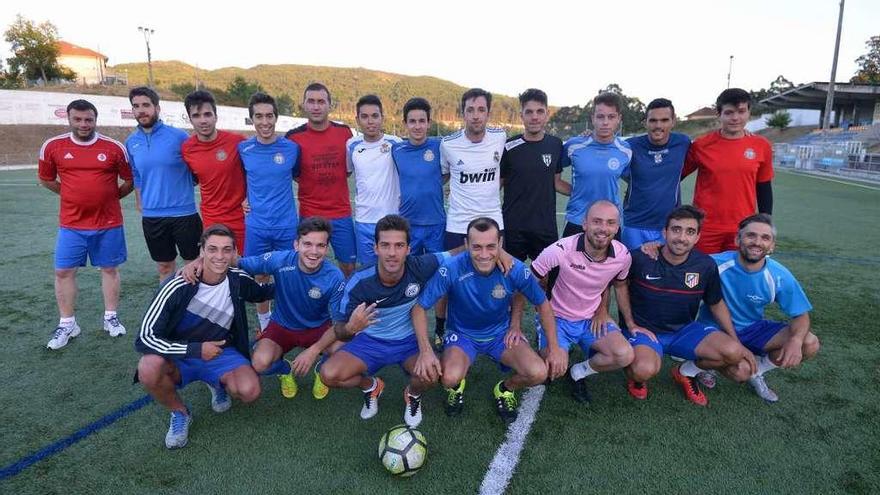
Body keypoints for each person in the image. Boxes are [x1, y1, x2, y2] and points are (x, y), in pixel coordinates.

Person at [413, 217, 566, 424]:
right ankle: (457, 386)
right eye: (476, 247)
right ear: (466, 244)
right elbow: (419, 307)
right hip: (462, 335)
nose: (484, 255)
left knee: (538, 373)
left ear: (500, 244)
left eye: (490, 246)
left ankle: (505, 389)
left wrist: (554, 347)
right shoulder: (451, 268)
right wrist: (425, 350)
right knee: (449, 378)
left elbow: (543, 304)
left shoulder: (516, 269)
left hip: (500, 335)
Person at [135, 225, 274, 449]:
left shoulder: (237, 279)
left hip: (220, 352)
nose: (219, 256)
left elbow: (265, 292)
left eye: (226, 250)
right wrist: (196, 350)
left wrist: (300, 274)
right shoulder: (178, 284)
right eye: (212, 249)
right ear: (201, 251)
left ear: (234, 253)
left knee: (250, 391)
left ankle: (215, 383)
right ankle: (180, 413)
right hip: (180, 353)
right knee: (148, 367)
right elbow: (145, 337)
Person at [615, 206, 757, 406]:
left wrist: (737, 341)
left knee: (734, 354)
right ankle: (637, 379)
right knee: (642, 370)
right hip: (644, 331)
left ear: (698, 237)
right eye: (676, 229)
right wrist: (629, 324)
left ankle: (686, 372)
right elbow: (618, 285)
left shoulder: (705, 265)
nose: (682, 237)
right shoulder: (640, 258)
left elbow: (715, 303)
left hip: (684, 330)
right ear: (664, 232)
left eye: (690, 231)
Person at [319, 215, 443, 428]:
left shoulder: (420, 266)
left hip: (408, 341)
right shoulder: (359, 281)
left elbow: (459, 254)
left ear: (408, 249)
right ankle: (371, 386)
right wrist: (351, 327)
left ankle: (412, 395)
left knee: (431, 374)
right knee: (328, 375)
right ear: (375, 248)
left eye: (399, 245)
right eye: (385, 245)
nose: (392, 253)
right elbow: (339, 329)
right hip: (370, 341)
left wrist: (500, 253)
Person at [38, 99, 133, 349]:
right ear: (68, 119)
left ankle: (110, 318)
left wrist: (111, 197)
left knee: (110, 269)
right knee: (63, 272)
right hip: (71, 224)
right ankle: (68, 324)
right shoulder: (53, 146)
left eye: (88, 119)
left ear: (95, 120)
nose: (83, 124)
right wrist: (70, 195)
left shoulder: (113, 148)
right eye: (77, 119)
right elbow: (46, 179)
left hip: (109, 222)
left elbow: (129, 179)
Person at [696, 214, 820, 402]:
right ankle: (706, 365)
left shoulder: (778, 275)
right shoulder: (715, 264)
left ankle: (758, 371)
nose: (757, 242)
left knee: (809, 343)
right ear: (738, 239)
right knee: (740, 372)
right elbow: (681, 260)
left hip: (752, 328)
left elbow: (801, 315)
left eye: (765, 238)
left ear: (772, 246)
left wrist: (795, 340)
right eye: (751, 235)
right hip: (715, 331)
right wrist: (656, 247)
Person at [529, 200, 634, 403]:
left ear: (617, 227)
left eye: (610, 223)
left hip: (590, 320)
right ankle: (548, 345)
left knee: (624, 355)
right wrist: (520, 321)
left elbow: (617, 285)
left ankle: (578, 372)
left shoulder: (622, 255)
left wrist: (614, 315)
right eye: (597, 221)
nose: (603, 228)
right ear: (584, 223)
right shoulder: (559, 250)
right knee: (550, 370)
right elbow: (526, 284)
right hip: (556, 318)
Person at [682, 88, 773, 254]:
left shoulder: (762, 146)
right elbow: (675, 177)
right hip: (706, 227)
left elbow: (764, 187)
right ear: (719, 114)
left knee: (736, 277)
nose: (735, 118)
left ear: (749, 112)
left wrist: (766, 224)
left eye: (741, 111)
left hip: (743, 228)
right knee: (704, 276)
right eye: (729, 112)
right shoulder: (701, 146)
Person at [125, 86, 202, 282]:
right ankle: (168, 306)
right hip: (153, 217)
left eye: (146, 105)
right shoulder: (131, 142)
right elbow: (136, 174)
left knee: (194, 263)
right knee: (164, 266)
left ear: (157, 108)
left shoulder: (179, 137)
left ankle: (195, 308)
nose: (141, 110)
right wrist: (139, 200)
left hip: (184, 214)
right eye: (136, 106)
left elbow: (195, 170)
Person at [239, 92, 300, 331]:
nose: (265, 122)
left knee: (287, 274)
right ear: (252, 119)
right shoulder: (244, 149)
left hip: (286, 225)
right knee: (261, 275)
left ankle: (288, 319)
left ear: (276, 117)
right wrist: (243, 197)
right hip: (257, 225)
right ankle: (265, 322)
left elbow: (298, 176)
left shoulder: (291, 148)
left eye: (269, 116)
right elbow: (240, 178)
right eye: (259, 116)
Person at [286, 83, 357, 277]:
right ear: (304, 105)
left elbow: (347, 170)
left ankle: (346, 303)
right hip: (310, 213)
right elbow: (292, 173)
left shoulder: (344, 133)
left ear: (329, 105)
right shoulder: (293, 138)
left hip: (340, 212)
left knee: (348, 266)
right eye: (311, 101)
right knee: (308, 263)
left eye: (321, 101)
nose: (316, 107)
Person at [500, 88, 566, 262]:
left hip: (545, 227)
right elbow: (496, 184)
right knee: (511, 279)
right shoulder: (508, 147)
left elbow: (557, 182)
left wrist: (585, 192)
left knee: (547, 281)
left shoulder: (556, 144)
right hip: (513, 227)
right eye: (529, 112)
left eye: (539, 111)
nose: (534, 117)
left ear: (547, 114)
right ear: (521, 115)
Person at [181, 90, 247, 252]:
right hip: (212, 218)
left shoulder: (237, 142)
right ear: (190, 119)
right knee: (217, 267)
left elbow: (255, 173)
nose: (203, 120)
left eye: (207, 114)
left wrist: (250, 197)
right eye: (196, 116)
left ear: (215, 116)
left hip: (241, 217)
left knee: (245, 266)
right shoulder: (187, 149)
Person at [620, 98, 691, 250]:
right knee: (632, 270)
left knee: (666, 271)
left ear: (673, 121)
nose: (658, 125)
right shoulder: (630, 146)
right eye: (653, 120)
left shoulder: (683, 142)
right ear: (645, 122)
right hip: (635, 225)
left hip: (669, 226)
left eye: (664, 120)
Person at [557, 92, 632, 237]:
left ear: (619, 119)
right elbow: (554, 179)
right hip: (578, 220)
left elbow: (632, 180)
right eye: (600, 116)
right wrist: (577, 191)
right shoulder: (574, 145)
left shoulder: (626, 150)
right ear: (592, 119)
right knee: (571, 261)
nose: (605, 122)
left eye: (611, 117)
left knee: (613, 260)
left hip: (609, 222)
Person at [440, 87, 507, 249]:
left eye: (481, 110)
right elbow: (444, 175)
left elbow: (504, 172)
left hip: (493, 222)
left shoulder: (500, 137)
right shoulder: (448, 144)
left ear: (488, 114)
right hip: (458, 224)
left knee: (496, 273)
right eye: (470, 110)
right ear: (463, 114)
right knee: (455, 273)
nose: (476, 116)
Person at [346, 94, 402, 265]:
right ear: (357, 119)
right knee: (369, 269)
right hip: (364, 219)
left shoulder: (396, 143)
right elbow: (348, 172)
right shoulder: (351, 145)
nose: (370, 121)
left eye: (375, 116)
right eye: (365, 116)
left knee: (394, 267)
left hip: (391, 218)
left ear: (382, 118)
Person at [391, 97, 446, 257]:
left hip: (435, 222)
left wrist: (432, 184)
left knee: (437, 267)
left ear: (429, 123)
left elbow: (447, 173)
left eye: (422, 121)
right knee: (409, 267)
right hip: (408, 223)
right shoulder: (396, 150)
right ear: (405, 123)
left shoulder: (440, 146)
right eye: (412, 121)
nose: (417, 126)